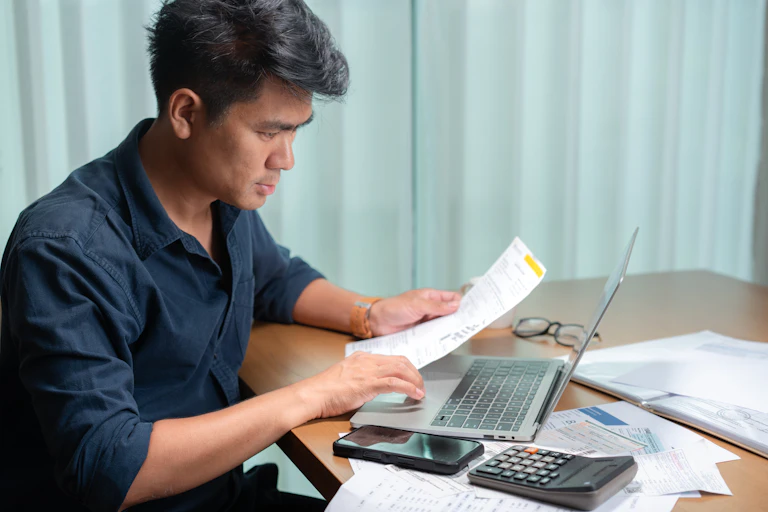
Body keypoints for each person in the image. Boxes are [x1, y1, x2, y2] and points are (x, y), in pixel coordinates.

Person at [0, 1, 462, 510]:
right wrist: (316, 394)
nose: (286, 159)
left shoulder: (221, 194)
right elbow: (108, 465)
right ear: (186, 113)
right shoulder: (66, 249)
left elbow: (275, 280)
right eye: (268, 132)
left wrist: (370, 313)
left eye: (294, 130)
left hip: (223, 497)